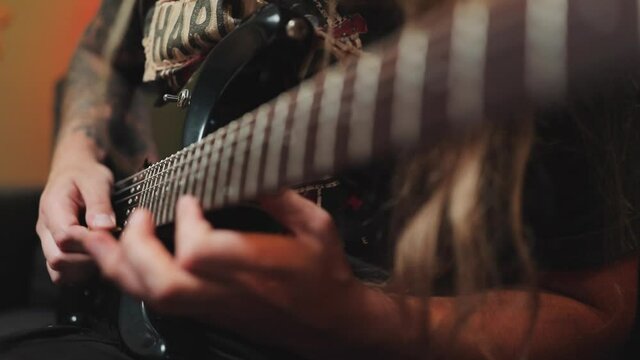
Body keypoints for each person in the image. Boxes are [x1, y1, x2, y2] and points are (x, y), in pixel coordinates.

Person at [2, 0, 639, 359]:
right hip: (106, 277)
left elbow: (600, 310)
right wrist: (75, 152)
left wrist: (354, 318)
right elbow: (99, 49)